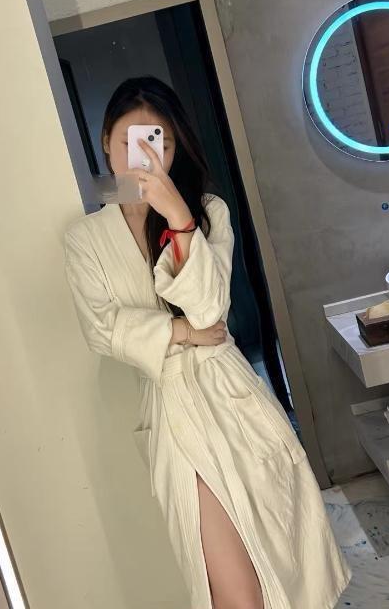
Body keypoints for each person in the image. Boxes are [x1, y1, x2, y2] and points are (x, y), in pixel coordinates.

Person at [63, 76, 352, 609]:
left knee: (281, 562)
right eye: (131, 140)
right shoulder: (85, 239)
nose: (146, 156)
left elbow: (210, 309)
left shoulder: (207, 211)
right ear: (106, 141)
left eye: (161, 143)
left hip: (230, 397)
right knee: (233, 593)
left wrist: (178, 217)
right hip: (171, 411)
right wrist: (183, 334)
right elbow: (101, 329)